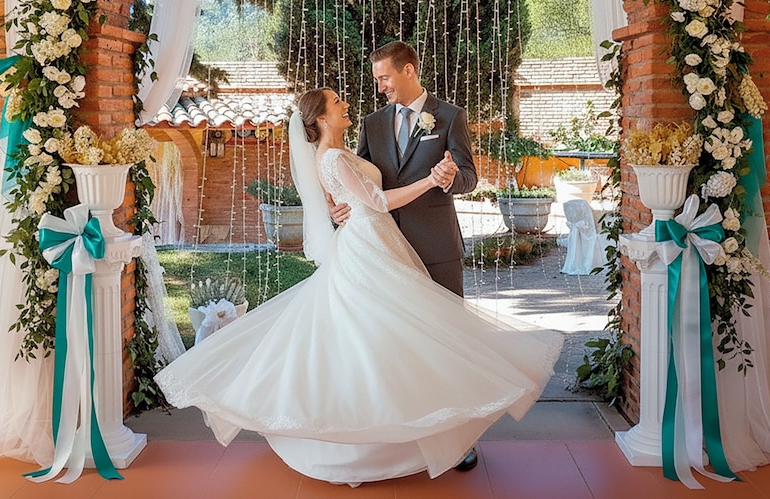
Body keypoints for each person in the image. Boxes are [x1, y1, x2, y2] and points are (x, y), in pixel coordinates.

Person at [154, 88, 563, 487]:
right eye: (336, 101)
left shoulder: (337, 153)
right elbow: (378, 201)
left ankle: (424, 431)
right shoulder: (331, 155)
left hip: (376, 240)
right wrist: (430, 181)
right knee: (379, 337)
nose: (345, 103)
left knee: (394, 337)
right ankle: (380, 440)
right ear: (319, 118)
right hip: (368, 246)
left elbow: (352, 190)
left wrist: (340, 200)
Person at [333, 40, 481, 468]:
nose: (380, 87)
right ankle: (406, 435)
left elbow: (470, 175)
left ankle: (460, 439)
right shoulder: (372, 123)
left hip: (435, 248)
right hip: (383, 254)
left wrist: (452, 176)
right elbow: (359, 179)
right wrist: (341, 207)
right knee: (395, 345)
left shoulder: (449, 116)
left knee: (448, 342)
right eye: (377, 79)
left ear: (409, 70)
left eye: (385, 78)